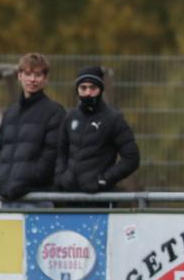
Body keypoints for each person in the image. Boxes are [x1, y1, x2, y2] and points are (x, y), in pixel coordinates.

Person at [0, 53, 65, 206]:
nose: (32, 79)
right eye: (28, 74)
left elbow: (51, 157)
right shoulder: (10, 112)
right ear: (19, 76)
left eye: (38, 75)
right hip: (5, 197)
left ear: (45, 78)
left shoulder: (55, 111)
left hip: (36, 198)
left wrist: (22, 182)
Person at [55, 66, 140, 200]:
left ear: (100, 89)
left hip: (100, 199)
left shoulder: (114, 119)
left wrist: (104, 180)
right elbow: (61, 152)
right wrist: (61, 178)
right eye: (83, 88)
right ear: (77, 90)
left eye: (93, 88)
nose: (88, 92)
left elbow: (131, 158)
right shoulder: (70, 117)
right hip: (70, 197)